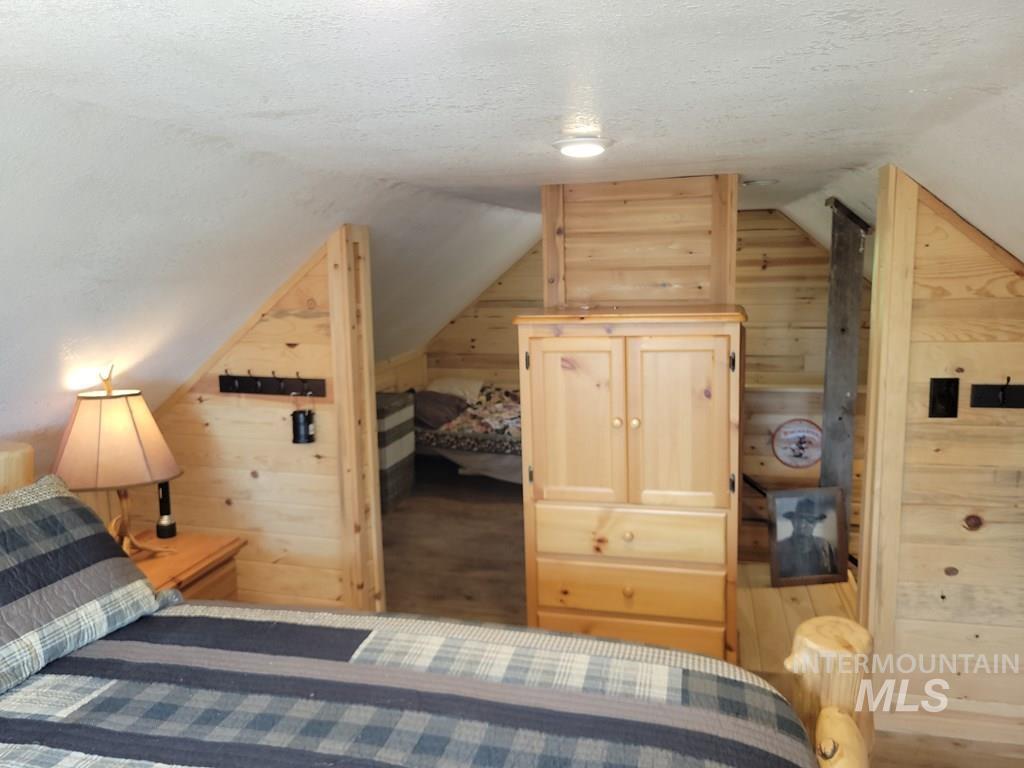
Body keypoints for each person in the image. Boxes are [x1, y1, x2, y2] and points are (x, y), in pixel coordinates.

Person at [776, 497, 838, 579]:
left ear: (815, 523)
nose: (802, 525)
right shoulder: (780, 548)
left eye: (809, 520)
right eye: (798, 519)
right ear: (793, 521)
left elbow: (833, 577)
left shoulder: (824, 546)